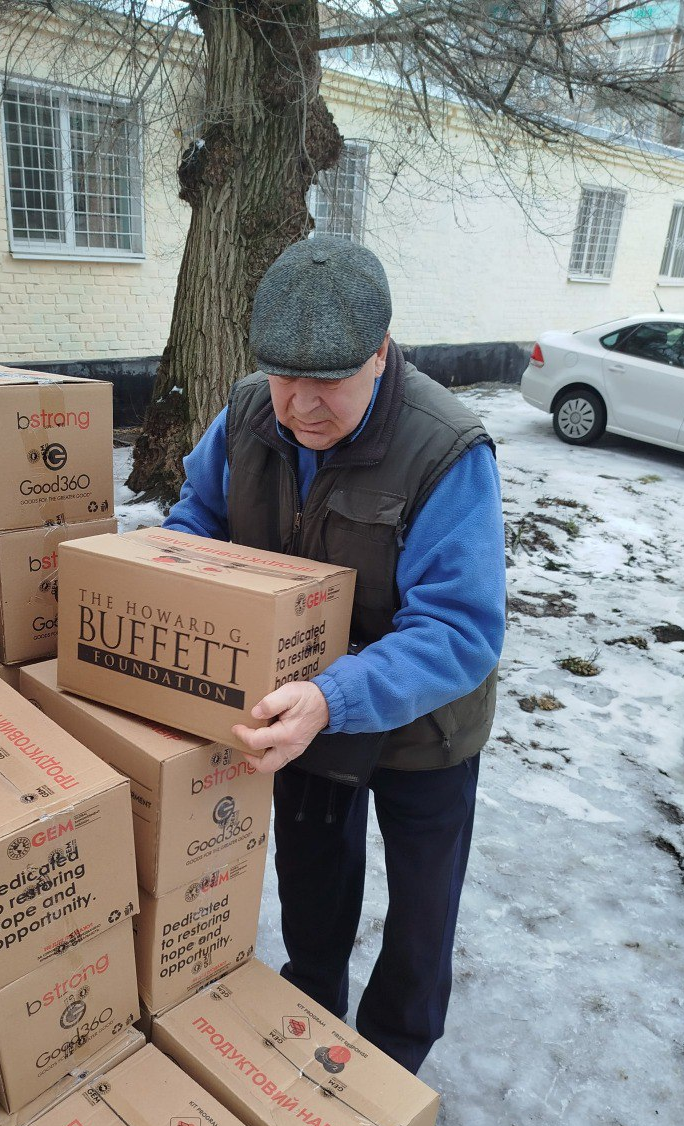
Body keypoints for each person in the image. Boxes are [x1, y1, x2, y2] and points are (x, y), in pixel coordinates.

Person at [164, 235, 506, 1074]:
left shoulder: (447, 450)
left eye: (330, 385)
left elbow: (460, 629)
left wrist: (336, 697)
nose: (301, 407)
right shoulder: (248, 412)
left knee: (423, 920)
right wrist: (174, 585)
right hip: (298, 715)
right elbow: (193, 525)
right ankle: (306, 1027)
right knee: (313, 892)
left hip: (426, 729)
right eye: (286, 379)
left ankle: (389, 1073)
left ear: (380, 355)